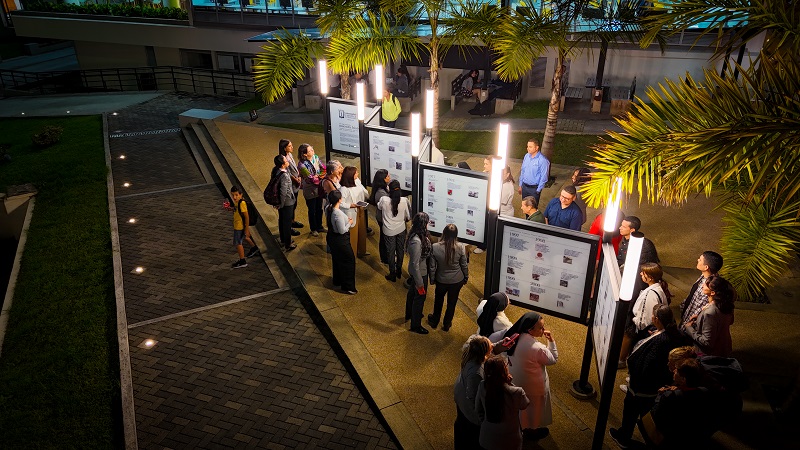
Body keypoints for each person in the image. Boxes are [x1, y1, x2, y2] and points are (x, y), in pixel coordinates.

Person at [609, 304, 685, 449]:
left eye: (652, 315)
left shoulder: (660, 341)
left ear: (656, 319)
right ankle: (648, 440)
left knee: (631, 412)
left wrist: (635, 377)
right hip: (654, 387)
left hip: (642, 388)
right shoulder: (675, 334)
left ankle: (624, 438)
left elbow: (647, 365)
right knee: (648, 415)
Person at [504, 312, 558, 440]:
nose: (543, 330)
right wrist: (551, 341)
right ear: (530, 329)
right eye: (540, 327)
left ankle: (521, 428)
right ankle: (532, 432)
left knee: (521, 411)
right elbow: (553, 359)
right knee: (534, 412)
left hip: (517, 381)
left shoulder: (514, 337)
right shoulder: (537, 348)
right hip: (534, 387)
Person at [618, 262, 672, 367]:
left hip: (645, 330)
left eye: (643, 273)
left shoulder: (651, 293)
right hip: (651, 328)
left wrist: (635, 322)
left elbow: (645, 318)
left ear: (650, 277)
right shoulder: (658, 289)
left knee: (639, 355)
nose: (641, 274)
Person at [475, 356, 530, 450]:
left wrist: (484, 422)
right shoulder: (517, 392)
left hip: (487, 437)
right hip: (511, 440)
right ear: (504, 372)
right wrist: (510, 384)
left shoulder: (482, 386)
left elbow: (478, 409)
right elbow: (524, 404)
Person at [454, 335, 493, 450]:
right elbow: (473, 397)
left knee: (461, 425)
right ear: (484, 353)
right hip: (468, 409)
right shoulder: (476, 373)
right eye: (490, 348)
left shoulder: (471, 352)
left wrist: (501, 345)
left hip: (460, 398)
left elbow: (490, 347)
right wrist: (481, 418)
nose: (492, 348)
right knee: (469, 435)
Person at [427, 224, 469, 332]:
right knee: (452, 303)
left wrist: (432, 279)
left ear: (444, 233)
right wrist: (466, 276)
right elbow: (464, 265)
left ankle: (435, 320)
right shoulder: (461, 247)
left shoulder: (435, 247)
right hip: (457, 280)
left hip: (441, 279)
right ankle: (446, 324)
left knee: (438, 301)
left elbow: (432, 266)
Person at [682, 275, 735, 357]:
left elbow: (707, 342)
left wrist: (689, 328)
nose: (702, 286)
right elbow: (727, 321)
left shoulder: (709, 313)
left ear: (712, 292)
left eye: (706, 285)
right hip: (724, 347)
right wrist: (700, 317)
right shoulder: (725, 304)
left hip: (709, 354)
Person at [617, 215, 659, 301]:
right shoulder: (625, 240)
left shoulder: (642, 246)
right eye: (621, 225)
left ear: (632, 230)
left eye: (624, 227)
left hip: (636, 282)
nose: (619, 228)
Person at [325, 190, 357, 294]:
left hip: (331, 238)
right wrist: (349, 222)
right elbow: (342, 230)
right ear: (339, 200)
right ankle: (348, 287)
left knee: (337, 259)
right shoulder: (337, 213)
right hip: (340, 240)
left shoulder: (328, 208)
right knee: (349, 261)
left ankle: (337, 280)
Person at [680, 251, 723, 325]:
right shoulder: (705, 276)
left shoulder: (709, 287)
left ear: (706, 267)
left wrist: (687, 325)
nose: (697, 260)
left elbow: (698, 308)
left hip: (691, 325)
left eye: (700, 260)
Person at [379, 180, 410, 282]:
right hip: (401, 229)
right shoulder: (405, 200)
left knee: (390, 252)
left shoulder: (384, 200)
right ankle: (399, 271)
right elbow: (408, 216)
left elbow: (379, 206)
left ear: (389, 190)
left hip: (388, 231)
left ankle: (392, 274)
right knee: (400, 250)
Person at [406, 212, 432, 334]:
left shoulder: (416, 235)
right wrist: (420, 282)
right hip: (420, 273)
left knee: (412, 293)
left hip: (419, 272)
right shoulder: (416, 241)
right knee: (419, 298)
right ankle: (415, 325)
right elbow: (414, 264)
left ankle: (410, 314)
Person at [226, 186, 260, 268]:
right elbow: (237, 210)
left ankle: (242, 261)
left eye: (236, 195)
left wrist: (246, 229)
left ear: (241, 194)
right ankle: (254, 248)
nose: (234, 197)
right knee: (244, 238)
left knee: (238, 243)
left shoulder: (242, 203)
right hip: (238, 224)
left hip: (239, 226)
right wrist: (231, 209)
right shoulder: (238, 202)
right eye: (233, 195)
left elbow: (246, 216)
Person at [297, 143, 327, 236]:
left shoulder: (316, 158)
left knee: (319, 208)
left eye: (312, 149)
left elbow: (324, 169)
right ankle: (313, 228)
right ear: (305, 154)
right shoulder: (301, 165)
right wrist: (319, 177)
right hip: (309, 190)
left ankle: (319, 226)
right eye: (310, 150)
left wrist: (318, 176)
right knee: (312, 209)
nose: (313, 151)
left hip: (318, 188)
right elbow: (310, 178)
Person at [340, 166, 369, 257]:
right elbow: (340, 204)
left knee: (361, 232)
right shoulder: (344, 189)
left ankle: (361, 251)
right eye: (356, 173)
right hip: (351, 212)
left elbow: (364, 192)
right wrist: (351, 205)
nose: (358, 174)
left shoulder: (357, 181)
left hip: (360, 210)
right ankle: (352, 255)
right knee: (353, 235)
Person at [271, 154, 297, 252]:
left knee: (281, 219)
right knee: (287, 222)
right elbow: (283, 192)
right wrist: (281, 204)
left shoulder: (275, 170)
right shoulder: (285, 175)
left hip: (280, 202)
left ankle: (283, 239)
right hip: (287, 202)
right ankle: (288, 243)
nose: (288, 161)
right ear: (282, 164)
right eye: (286, 160)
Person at [279, 139, 303, 234]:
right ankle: (289, 227)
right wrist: (295, 179)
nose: (292, 147)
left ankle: (292, 221)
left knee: (294, 205)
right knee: (290, 207)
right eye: (289, 146)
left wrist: (299, 176)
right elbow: (287, 172)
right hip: (291, 186)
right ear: (284, 148)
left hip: (295, 184)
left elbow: (294, 168)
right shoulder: (283, 159)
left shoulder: (290, 155)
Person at [517, 138, 549, 204]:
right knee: (525, 207)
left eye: (530, 147)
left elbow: (544, 177)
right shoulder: (526, 156)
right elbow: (523, 171)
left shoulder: (543, 160)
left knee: (532, 209)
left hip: (534, 189)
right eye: (527, 146)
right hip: (524, 187)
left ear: (536, 148)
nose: (528, 148)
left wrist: (538, 190)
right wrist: (520, 185)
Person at [370, 169, 391, 264]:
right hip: (382, 218)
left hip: (384, 217)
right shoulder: (380, 193)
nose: (389, 177)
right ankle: (384, 258)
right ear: (383, 179)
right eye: (387, 176)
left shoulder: (384, 187)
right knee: (383, 237)